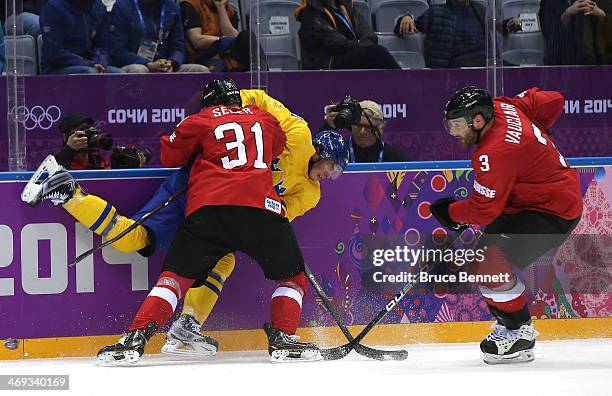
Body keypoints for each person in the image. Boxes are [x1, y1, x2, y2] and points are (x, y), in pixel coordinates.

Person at [26, 81, 349, 362]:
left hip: (217, 204)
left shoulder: (310, 193)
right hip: (194, 189)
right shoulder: (295, 131)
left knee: (221, 258)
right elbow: (249, 102)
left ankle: (186, 326)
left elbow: (278, 211)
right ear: (320, 151)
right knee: (136, 240)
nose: (328, 175)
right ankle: (67, 189)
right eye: (331, 167)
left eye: (336, 174)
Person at [429, 86, 583, 364]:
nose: (454, 133)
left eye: (457, 125)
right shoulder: (503, 105)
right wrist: (536, 143)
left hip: (553, 210)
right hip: (524, 200)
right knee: (482, 263)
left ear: (478, 120)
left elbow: (484, 209)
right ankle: (510, 323)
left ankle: (520, 332)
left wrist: (452, 213)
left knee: (490, 266)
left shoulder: (494, 151)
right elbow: (555, 100)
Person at [394, 0, 517, 68]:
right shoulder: (435, 12)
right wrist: (405, 18)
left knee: (518, 70)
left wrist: (510, 23)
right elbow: (408, 27)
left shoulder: (479, 9)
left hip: (486, 67)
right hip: (455, 70)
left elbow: (497, 25)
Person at [295, 0, 400, 70]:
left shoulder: (345, 6)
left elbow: (369, 35)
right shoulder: (310, 13)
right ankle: (405, 88)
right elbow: (336, 43)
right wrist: (363, 48)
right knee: (378, 53)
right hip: (327, 65)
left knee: (376, 53)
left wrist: (364, 47)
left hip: (349, 54)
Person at [108, 0, 209, 73]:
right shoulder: (122, 6)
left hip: (166, 64)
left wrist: (172, 61)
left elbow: (178, 46)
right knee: (139, 70)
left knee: (200, 70)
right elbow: (117, 50)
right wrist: (147, 64)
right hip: (136, 63)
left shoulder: (172, 7)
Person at [40, 0, 125, 74]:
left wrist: (100, 62)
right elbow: (54, 53)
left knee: (121, 75)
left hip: (90, 64)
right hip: (58, 68)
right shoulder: (54, 7)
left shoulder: (98, 7)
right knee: (90, 73)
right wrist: (89, 64)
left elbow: (102, 45)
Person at [322, 99, 410, 162]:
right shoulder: (336, 152)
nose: (362, 131)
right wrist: (327, 126)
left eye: (368, 127)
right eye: (358, 125)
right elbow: (312, 160)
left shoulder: (397, 159)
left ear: (380, 128)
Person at [180, 0, 250, 72]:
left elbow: (235, 40)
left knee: (248, 38)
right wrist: (222, 40)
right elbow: (197, 41)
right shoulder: (191, 5)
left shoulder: (230, 10)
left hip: (225, 54)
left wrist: (220, 7)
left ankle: (257, 75)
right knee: (245, 39)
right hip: (202, 56)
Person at [539, 0, 608, 65]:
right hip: (561, 61)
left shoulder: (600, 2)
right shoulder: (549, 2)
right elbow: (547, 30)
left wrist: (601, 14)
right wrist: (567, 13)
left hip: (594, 62)